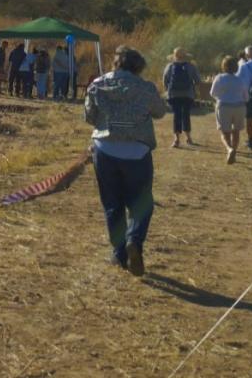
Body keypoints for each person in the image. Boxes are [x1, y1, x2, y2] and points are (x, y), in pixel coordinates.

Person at [84, 46, 165, 276]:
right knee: (142, 203)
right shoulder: (145, 87)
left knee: (112, 204)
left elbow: (89, 116)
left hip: (105, 149)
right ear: (138, 67)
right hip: (137, 151)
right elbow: (159, 112)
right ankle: (135, 241)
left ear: (116, 63)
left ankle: (119, 253)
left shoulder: (97, 84)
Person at [210, 55, 247, 165]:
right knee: (236, 131)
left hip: (224, 106)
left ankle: (229, 148)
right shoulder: (240, 80)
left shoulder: (219, 78)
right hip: (239, 106)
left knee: (225, 132)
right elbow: (246, 96)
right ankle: (234, 151)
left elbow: (213, 93)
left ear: (224, 66)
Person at [162, 47, 200, 147]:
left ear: (174, 56)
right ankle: (188, 138)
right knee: (186, 115)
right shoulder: (191, 66)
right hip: (187, 94)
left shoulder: (170, 66)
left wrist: (168, 90)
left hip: (174, 94)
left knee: (176, 115)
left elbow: (165, 80)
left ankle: (176, 139)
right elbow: (197, 80)